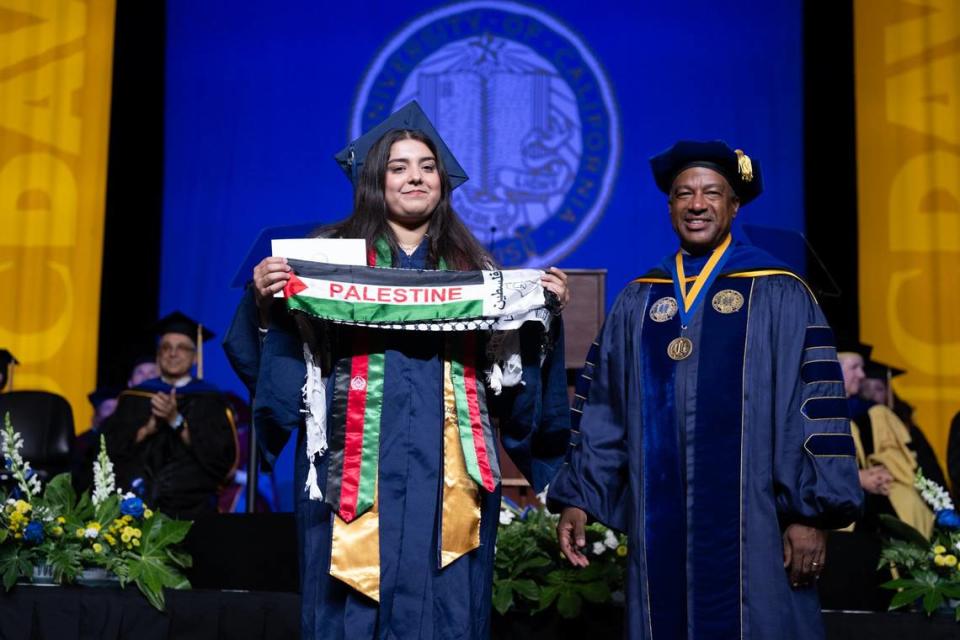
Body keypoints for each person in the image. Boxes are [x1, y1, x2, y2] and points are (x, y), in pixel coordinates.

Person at [223, 101, 571, 639]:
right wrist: (266, 304)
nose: (415, 177)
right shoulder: (327, 261)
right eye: (399, 166)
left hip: (448, 471)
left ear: (442, 182)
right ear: (374, 181)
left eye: (427, 166)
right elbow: (276, 366)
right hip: (353, 471)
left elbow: (514, 385)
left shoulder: (478, 274)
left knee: (448, 604)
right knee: (351, 605)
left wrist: (542, 313)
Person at [547, 140, 863, 639]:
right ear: (670, 206)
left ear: (734, 205)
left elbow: (812, 408)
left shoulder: (779, 292)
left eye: (712, 193)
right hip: (661, 535)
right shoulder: (639, 301)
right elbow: (604, 408)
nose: (697, 204)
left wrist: (810, 514)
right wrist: (580, 498)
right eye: (683, 194)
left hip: (757, 532)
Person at [101, 311, 238, 518]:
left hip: (193, 510)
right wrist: (147, 429)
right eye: (166, 347)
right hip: (133, 507)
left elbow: (222, 461)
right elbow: (106, 451)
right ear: (158, 356)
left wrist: (176, 421)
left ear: (195, 358)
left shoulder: (211, 401)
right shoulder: (134, 398)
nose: (173, 353)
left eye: (182, 348)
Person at [839, 347, 934, 536]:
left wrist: (880, 471)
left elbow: (901, 457)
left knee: (908, 503)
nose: (862, 374)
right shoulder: (808, 411)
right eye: (854, 367)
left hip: (878, 498)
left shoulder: (874, 414)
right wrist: (856, 477)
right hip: (838, 514)